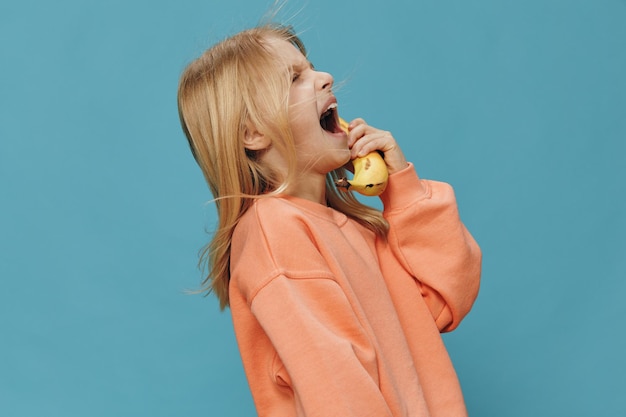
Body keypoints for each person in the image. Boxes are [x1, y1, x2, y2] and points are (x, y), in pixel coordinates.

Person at [177, 23, 482, 417]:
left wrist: (403, 188)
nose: (325, 78)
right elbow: (338, 392)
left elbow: (444, 300)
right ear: (253, 132)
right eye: (294, 78)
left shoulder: (355, 232)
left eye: (312, 68)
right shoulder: (276, 231)